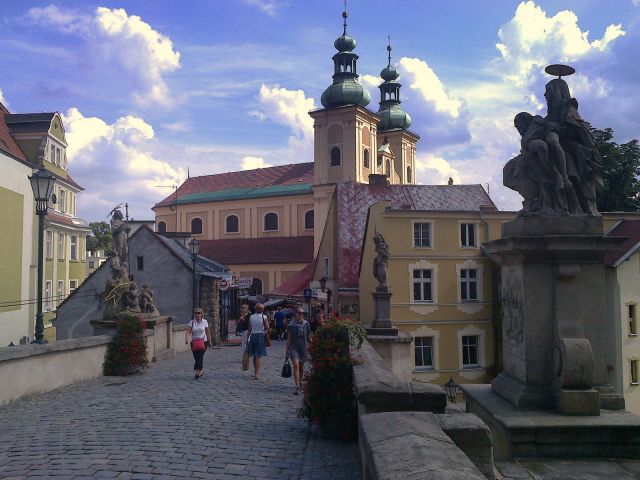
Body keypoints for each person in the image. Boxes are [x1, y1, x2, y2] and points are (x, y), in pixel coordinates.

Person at [285, 307, 311, 395]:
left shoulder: (306, 324)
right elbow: (288, 339)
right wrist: (286, 351)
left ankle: (300, 381)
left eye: (302, 313)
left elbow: (308, 337)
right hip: (293, 348)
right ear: (295, 314)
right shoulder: (291, 325)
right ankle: (297, 385)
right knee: (296, 365)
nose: (301, 314)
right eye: (299, 313)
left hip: (303, 348)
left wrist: (312, 346)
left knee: (301, 367)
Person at [185, 308, 213, 379]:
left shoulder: (205, 322)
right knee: (196, 357)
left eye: (199, 313)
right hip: (194, 342)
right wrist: (187, 339)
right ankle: (201, 369)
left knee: (200, 356)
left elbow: (207, 331)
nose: (197, 314)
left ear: (201, 314)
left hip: (203, 342)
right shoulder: (192, 322)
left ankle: (197, 372)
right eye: (196, 313)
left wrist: (209, 341)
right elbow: (188, 331)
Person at [246, 303, 269, 379]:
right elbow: (267, 327)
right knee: (258, 355)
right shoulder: (264, 316)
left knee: (254, 355)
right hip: (260, 336)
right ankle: (257, 373)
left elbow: (249, 329)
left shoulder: (251, 317)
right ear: (262, 309)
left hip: (253, 336)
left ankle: (255, 371)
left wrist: (247, 339)